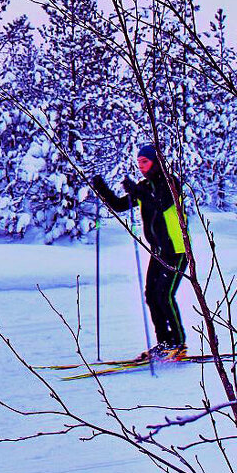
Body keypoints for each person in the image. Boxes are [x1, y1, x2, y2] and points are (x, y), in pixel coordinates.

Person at [91, 144, 189, 361]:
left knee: (165, 295)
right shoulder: (145, 186)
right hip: (159, 251)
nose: (141, 167)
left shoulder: (170, 183)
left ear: (155, 161)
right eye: (139, 163)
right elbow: (119, 205)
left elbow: (161, 203)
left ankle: (178, 344)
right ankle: (164, 343)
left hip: (177, 251)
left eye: (145, 162)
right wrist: (101, 188)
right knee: (152, 296)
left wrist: (137, 191)